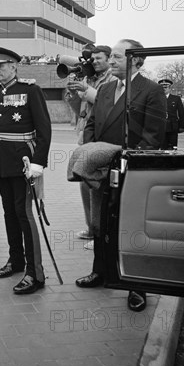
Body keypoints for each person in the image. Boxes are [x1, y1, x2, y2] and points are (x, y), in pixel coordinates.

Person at [75, 39, 167, 312]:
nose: (110, 60)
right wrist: (94, 152)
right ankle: (100, 271)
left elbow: (153, 136)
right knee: (103, 223)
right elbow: (91, 124)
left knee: (131, 227)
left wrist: (126, 161)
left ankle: (137, 284)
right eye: (111, 56)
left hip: (132, 171)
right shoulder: (105, 89)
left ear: (136, 60)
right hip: (103, 168)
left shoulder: (150, 91)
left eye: (117, 56)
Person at [0, 47, 52, 295]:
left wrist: (38, 163)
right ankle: (16, 260)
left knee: (24, 214)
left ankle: (35, 272)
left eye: (1, 66)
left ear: (14, 66)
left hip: (24, 163)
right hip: (3, 162)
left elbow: (44, 130)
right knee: (9, 214)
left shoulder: (30, 90)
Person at [66, 45, 114, 248]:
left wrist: (87, 90)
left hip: (102, 137)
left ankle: (100, 233)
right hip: (86, 135)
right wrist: (73, 95)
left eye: (98, 58)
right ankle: (91, 228)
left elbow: (108, 104)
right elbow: (80, 111)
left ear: (109, 58)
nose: (94, 62)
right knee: (85, 184)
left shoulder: (112, 79)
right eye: (92, 59)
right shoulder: (89, 78)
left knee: (99, 187)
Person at [158, 78, 184, 149]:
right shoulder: (156, 98)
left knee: (173, 148)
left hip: (172, 127)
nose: (164, 89)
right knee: (162, 148)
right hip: (160, 127)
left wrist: (181, 126)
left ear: (170, 88)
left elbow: (181, 113)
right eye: (162, 87)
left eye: (166, 87)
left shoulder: (176, 99)